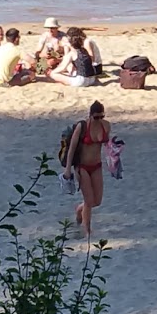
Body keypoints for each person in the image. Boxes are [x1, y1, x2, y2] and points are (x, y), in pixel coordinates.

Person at [61, 101, 111, 238]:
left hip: (96, 166)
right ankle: (87, 230)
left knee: (97, 201)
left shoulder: (106, 126)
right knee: (89, 200)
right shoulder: (82, 127)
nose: (99, 120)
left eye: (102, 116)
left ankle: (79, 210)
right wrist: (67, 169)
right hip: (81, 166)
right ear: (90, 116)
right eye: (96, 117)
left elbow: (107, 146)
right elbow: (71, 148)